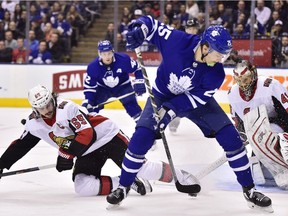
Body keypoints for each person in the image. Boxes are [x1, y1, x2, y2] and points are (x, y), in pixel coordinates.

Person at [106, 15, 273, 212]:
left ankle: (250, 190)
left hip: (195, 102)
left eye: (225, 55)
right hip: (160, 96)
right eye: (219, 54)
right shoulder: (177, 41)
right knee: (141, 137)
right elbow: (151, 24)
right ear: (204, 47)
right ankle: (124, 186)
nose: (222, 59)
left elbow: (194, 100)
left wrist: (169, 112)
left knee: (231, 138)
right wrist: (139, 30)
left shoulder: (216, 73)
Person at [0, 85, 195, 197]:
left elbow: (87, 135)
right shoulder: (35, 125)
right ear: (35, 109)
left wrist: (66, 154)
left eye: (49, 103)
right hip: (86, 151)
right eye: (41, 108)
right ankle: (125, 182)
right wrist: (2, 164)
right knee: (83, 187)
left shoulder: (66, 108)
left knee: (142, 167)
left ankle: (181, 176)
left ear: (53, 98)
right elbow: (20, 146)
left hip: (107, 137)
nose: (47, 109)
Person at [227, 58, 288, 189]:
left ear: (253, 74)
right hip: (258, 136)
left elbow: (286, 112)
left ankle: (281, 165)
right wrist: (242, 133)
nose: (243, 84)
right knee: (259, 174)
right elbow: (239, 123)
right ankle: (262, 164)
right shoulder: (232, 94)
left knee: (265, 133)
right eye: (239, 80)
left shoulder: (270, 85)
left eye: (246, 79)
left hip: (279, 126)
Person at [82, 40, 146, 123]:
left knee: (132, 107)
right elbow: (90, 86)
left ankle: (144, 127)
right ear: (99, 54)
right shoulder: (93, 67)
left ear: (113, 51)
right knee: (91, 108)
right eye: (104, 54)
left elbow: (138, 68)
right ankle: (87, 126)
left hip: (123, 86)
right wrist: (88, 100)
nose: (107, 57)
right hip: (103, 89)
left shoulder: (123, 59)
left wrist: (139, 81)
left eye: (109, 53)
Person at [168, 18, 201, 133]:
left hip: (195, 75)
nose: (191, 31)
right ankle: (174, 121)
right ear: (186, 29)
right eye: (189, 29)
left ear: (197, 30)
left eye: (194, 29)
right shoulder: (179, 42)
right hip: (180, 75)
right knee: (176, 99)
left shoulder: (201, 43)